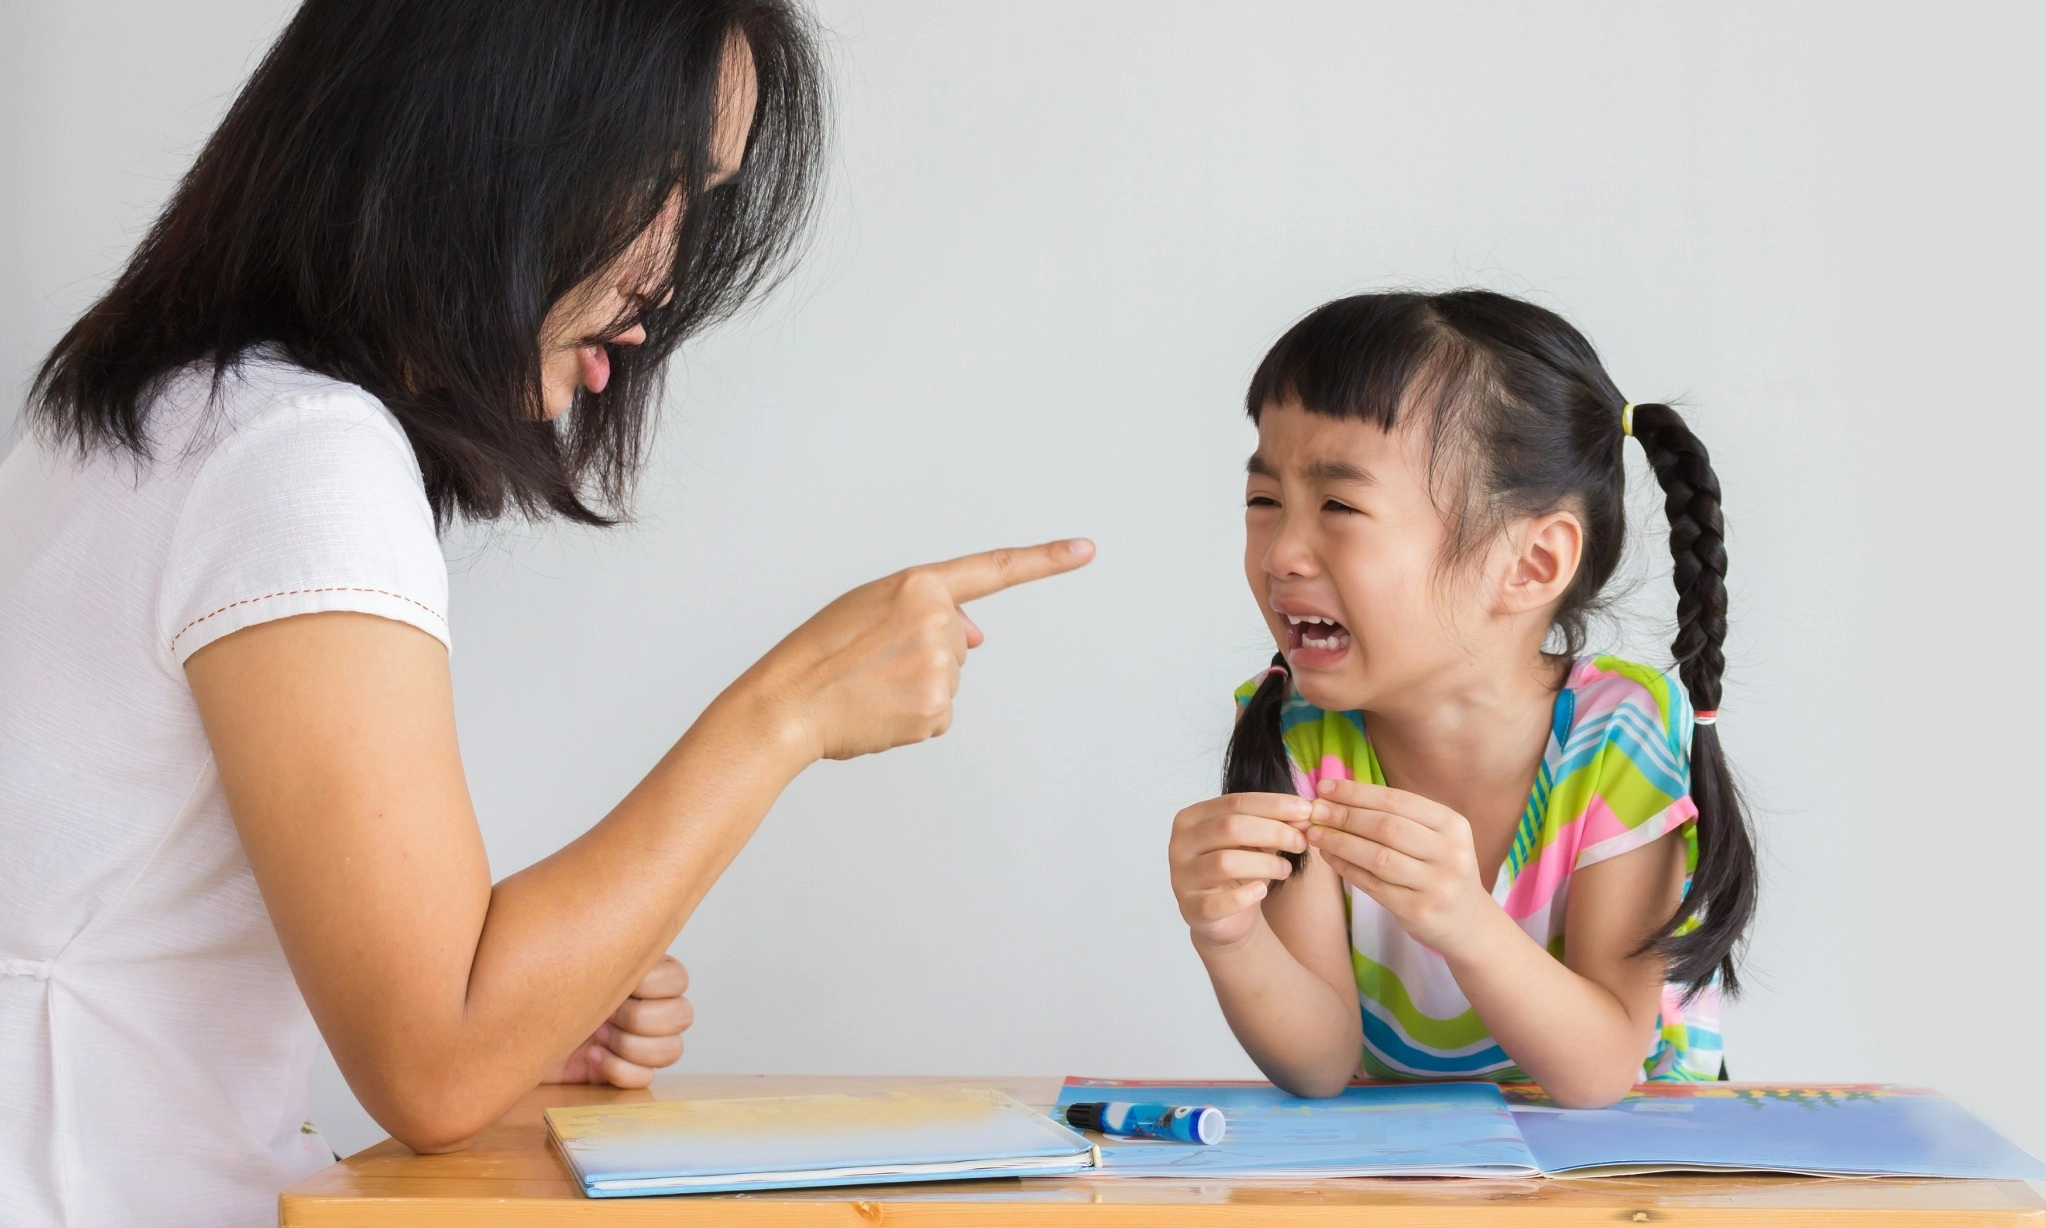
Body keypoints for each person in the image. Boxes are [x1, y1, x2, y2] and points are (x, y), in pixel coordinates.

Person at [0, 2, 1091, 1224]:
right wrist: (790, 709)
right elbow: (436, 1063)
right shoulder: (295, 452)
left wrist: (539, 1000)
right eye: (659, 176)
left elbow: (403, 1002)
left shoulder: (155, 412)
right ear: (486, 133)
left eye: (702, 195)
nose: (667, 268)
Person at [1167, 290, 1755, 1108]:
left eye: (1339, 505)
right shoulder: (1291, 731)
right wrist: (1228, 938)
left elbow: (1599, 1073)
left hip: (1628, 1175)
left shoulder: (1619, 733)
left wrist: (1463, 918)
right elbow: (1323, 1062)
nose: (1282, 554)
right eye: (1265, 501)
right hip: (1427, 1178)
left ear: (1530, 566)